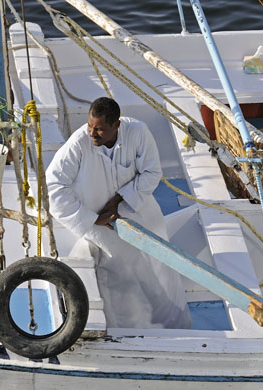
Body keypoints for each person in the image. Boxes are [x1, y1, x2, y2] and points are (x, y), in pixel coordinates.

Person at [45, 97, 191, 329]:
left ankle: (173, 326)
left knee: (161, 264)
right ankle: (128, 333)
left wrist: (119, 200)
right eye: (90, 126)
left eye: (100, 129)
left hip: (140, 211)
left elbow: (152, 172)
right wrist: (92, 219)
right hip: (100, 224)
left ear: (116, 126)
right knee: (121, 275)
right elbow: (54, 186)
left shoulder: (138, 133)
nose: (92, 133)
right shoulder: (78, 145)